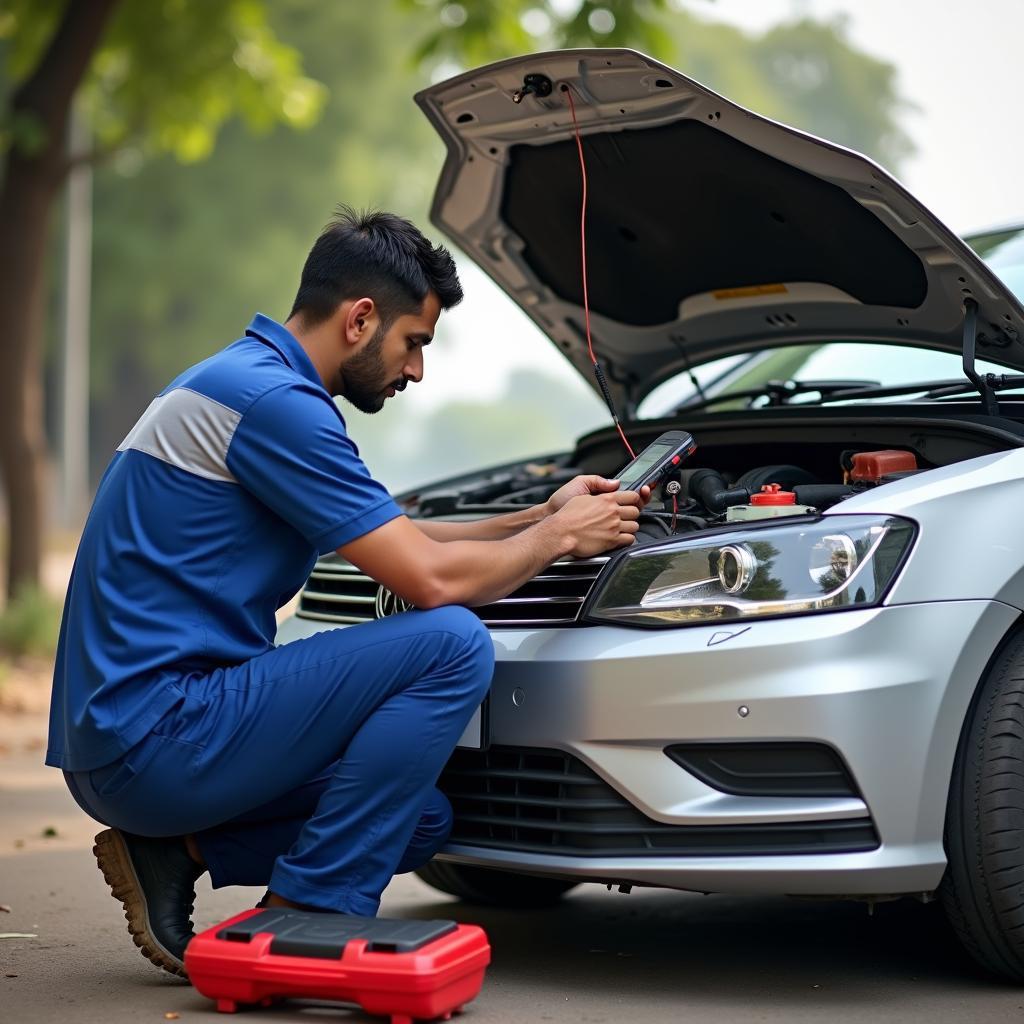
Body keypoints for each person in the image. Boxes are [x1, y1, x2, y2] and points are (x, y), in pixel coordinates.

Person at [46, 207, 647, 977]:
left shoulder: (247, 381)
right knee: (452, 641)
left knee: (417, 820)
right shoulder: (275, 407)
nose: (418, 371)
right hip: (157, 734)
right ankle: (304, 916)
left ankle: (172, 853)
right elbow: (427, 578)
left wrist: (542, 512)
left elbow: (402, 533)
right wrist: (559, 541)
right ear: (361, 319)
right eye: (415, 343)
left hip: (135, 740)